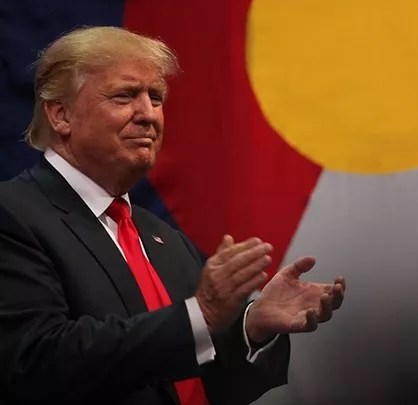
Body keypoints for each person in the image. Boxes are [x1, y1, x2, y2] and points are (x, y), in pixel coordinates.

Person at [0, 26, 346, 405]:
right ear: (61, 114)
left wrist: (251, 327)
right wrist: (202, 315)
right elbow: (34, 363)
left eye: (156, 97)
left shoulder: (163, 238)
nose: (149, 115)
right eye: (124, 95)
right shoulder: (12, 215)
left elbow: (196, 384)